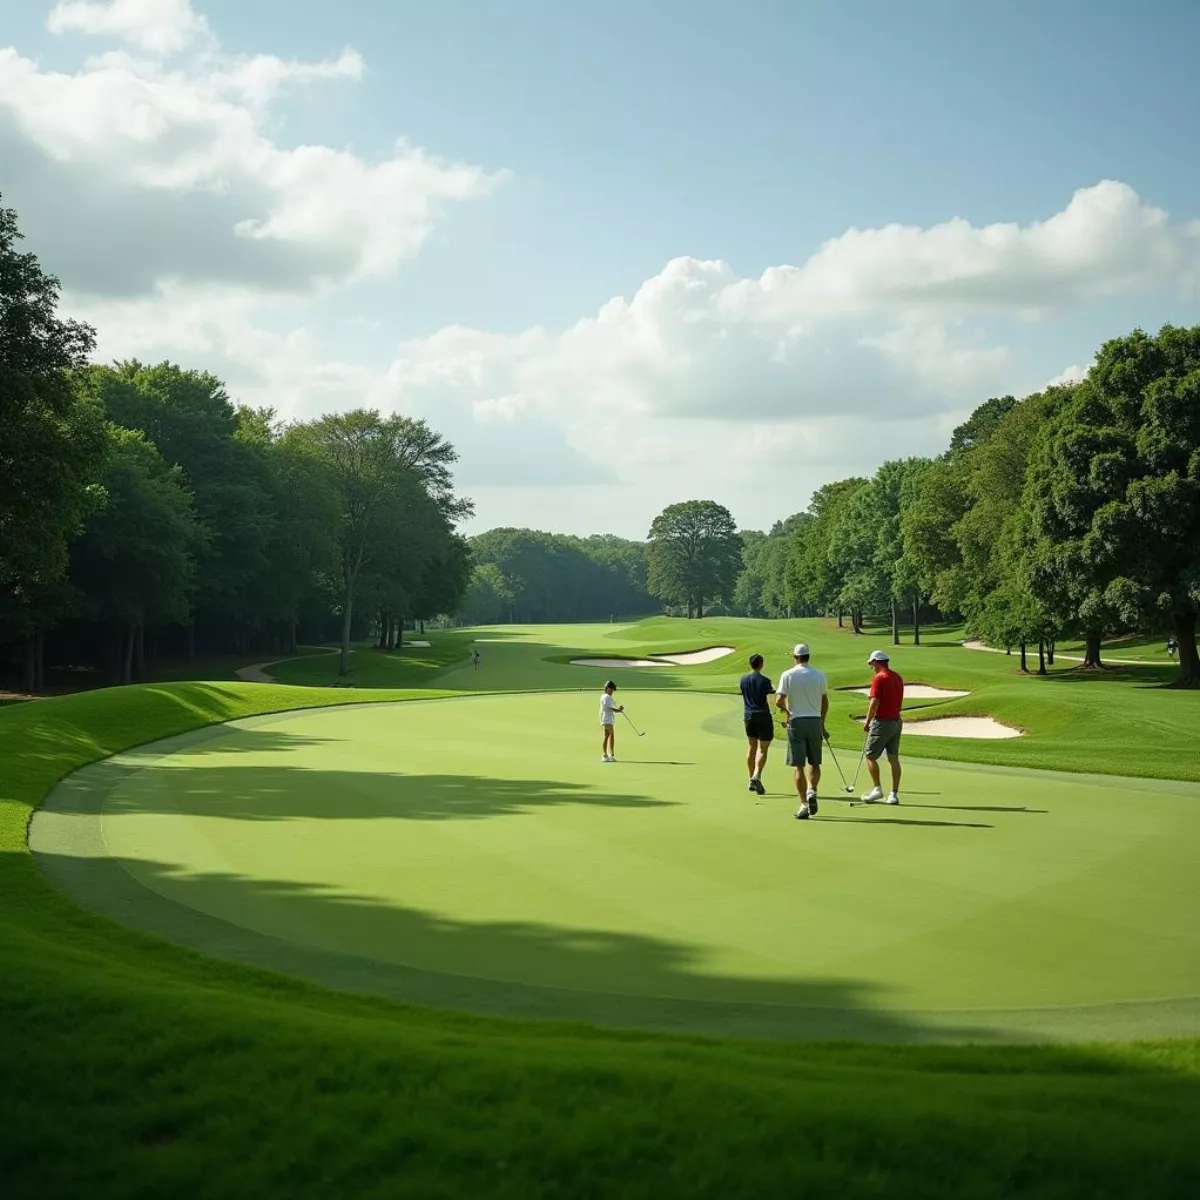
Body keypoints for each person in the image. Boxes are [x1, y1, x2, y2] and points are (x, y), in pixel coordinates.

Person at [774, 643, 828, 820]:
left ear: (795, 657)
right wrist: (822, 724)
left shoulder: (787, 675)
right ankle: (813, 791)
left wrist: (787, 713)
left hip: (796, 722)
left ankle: (804, 804)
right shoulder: (819, 675)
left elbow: (779, 701)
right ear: (808, 656)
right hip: (814, 721)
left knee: (799, 766)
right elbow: (825, 702)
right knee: (815, 763)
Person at [861, 649, 904, 804]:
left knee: (870, 756)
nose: (871, 666)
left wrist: (867, 722)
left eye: (871, 663)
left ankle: (877, 789)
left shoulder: (879, 678)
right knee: (893, 758)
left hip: (882, 722)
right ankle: (893, 794)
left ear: (877, 662)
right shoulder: (897, 677)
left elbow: (874, 702)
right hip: (896, 722)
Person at [739, 653, 775, 795]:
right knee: (763, 749)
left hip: (748, 716)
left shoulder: (743, 679)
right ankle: (756, 776)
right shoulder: (765, 680)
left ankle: (751, 779)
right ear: (761, 664)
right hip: (762, 716)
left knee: (751, 746)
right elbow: (769, 696)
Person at [599, 680, 624, 762]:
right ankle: (607, 755)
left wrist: (618, 710)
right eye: (612, 689)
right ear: (607, 688)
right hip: (607, 719)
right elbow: (610, 708)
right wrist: (619, 710)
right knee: (609, 735)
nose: (613, 691)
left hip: (608, 719)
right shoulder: (606, 697)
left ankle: (608, 755)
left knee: (609, 736)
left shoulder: (606, 697)